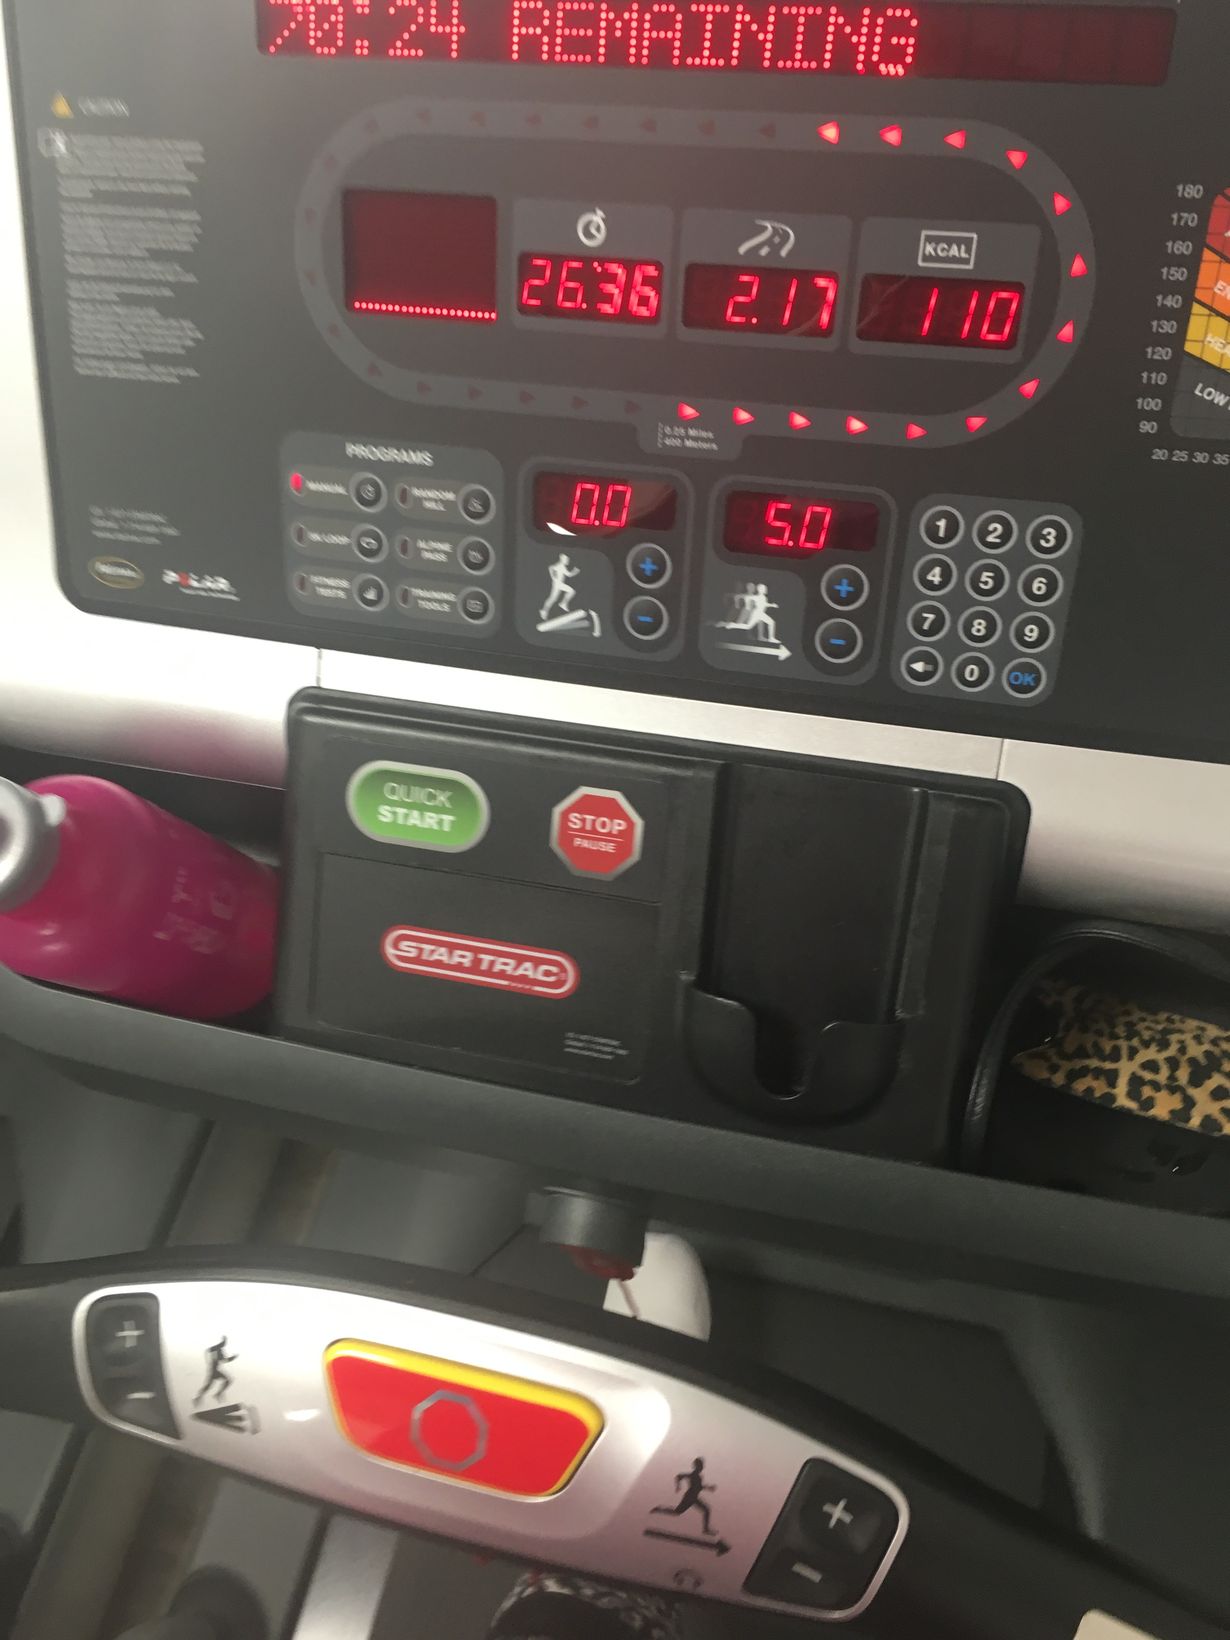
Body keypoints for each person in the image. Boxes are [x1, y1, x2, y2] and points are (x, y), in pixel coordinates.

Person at [651, 1457, 717, 1535]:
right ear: (697, 1466)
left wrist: (708, 1488)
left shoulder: (698, 1477)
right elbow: (679, 1476)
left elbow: (698, 1487)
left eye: (702, 1466)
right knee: (677, 1512)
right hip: (689, 1498)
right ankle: (659, 1509)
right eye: (701, 1466)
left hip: (693, 1498)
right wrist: (678, 1486)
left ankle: (706, 1529)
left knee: (706, 1510)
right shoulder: (693, 1475)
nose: (702, 1468)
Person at [193, 1337, 237, 1406]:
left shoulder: (218, 1350)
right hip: (214, 1371)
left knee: (208, 1386)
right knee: (227, 1380)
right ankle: (217, 1394)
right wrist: (224, 1341)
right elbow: (214, 1351)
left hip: (214, 1371)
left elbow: (224, 1360)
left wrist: (233, 1358)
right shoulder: (216, 1349)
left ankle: (199, 1397)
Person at [540, 554, 580, 623]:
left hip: (557, 584)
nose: (568, 561)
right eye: (566, 559)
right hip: (558, 584)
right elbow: (569, 575)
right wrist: (576, 571)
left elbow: (550, 567)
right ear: (562, 559)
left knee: (553, 598)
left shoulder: (559, 565)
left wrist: (553, 576)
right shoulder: (561, 566)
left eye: (568, 559)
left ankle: (544, 610)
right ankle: (563, 603)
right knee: (572, 591)